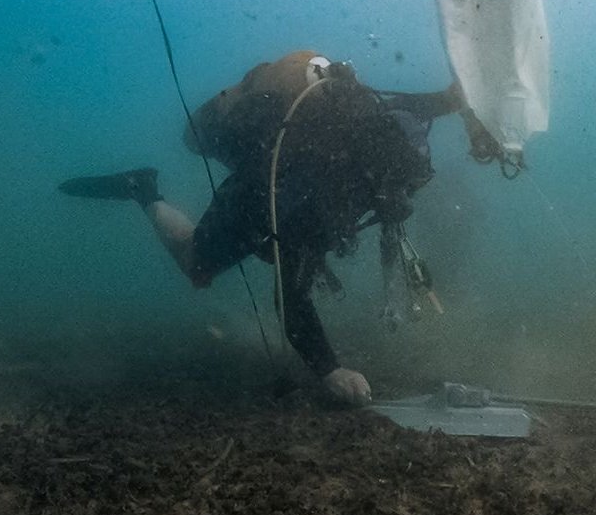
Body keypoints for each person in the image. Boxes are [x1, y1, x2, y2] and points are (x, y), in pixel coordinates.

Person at [59, 50, 498, 406]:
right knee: (195, 262)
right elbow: (290, 298)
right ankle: (143, 189)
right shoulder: (310, 190)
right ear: (367, 175)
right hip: (260, 188)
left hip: (273, 146)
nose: (400, 201)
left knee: (281, 214)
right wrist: (329, 369)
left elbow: (421, 104)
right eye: (395, 189)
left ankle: (185, 173)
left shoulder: (377, 122)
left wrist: (464, 105)